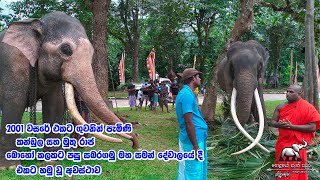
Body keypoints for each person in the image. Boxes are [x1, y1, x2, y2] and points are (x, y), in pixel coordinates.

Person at [271, 85, 320, 180]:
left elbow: (312, 127)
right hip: (282, 143)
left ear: (299, 93)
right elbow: (273, 122)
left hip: (297, 144)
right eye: (287, 91)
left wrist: (292, 126)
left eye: (291, 92)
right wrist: (280, 125)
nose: (287, 94)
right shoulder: (280, 106)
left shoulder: (307, 107)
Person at [176, 68, 208, 180]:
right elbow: (188, 122)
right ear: (193, 78)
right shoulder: (187, 95)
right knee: (192, 170)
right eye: (198, 76)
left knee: (196, 169)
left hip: (196, 137)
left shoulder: (188, 93)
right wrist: (195, 146)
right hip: (192, 141)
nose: (200, 79)